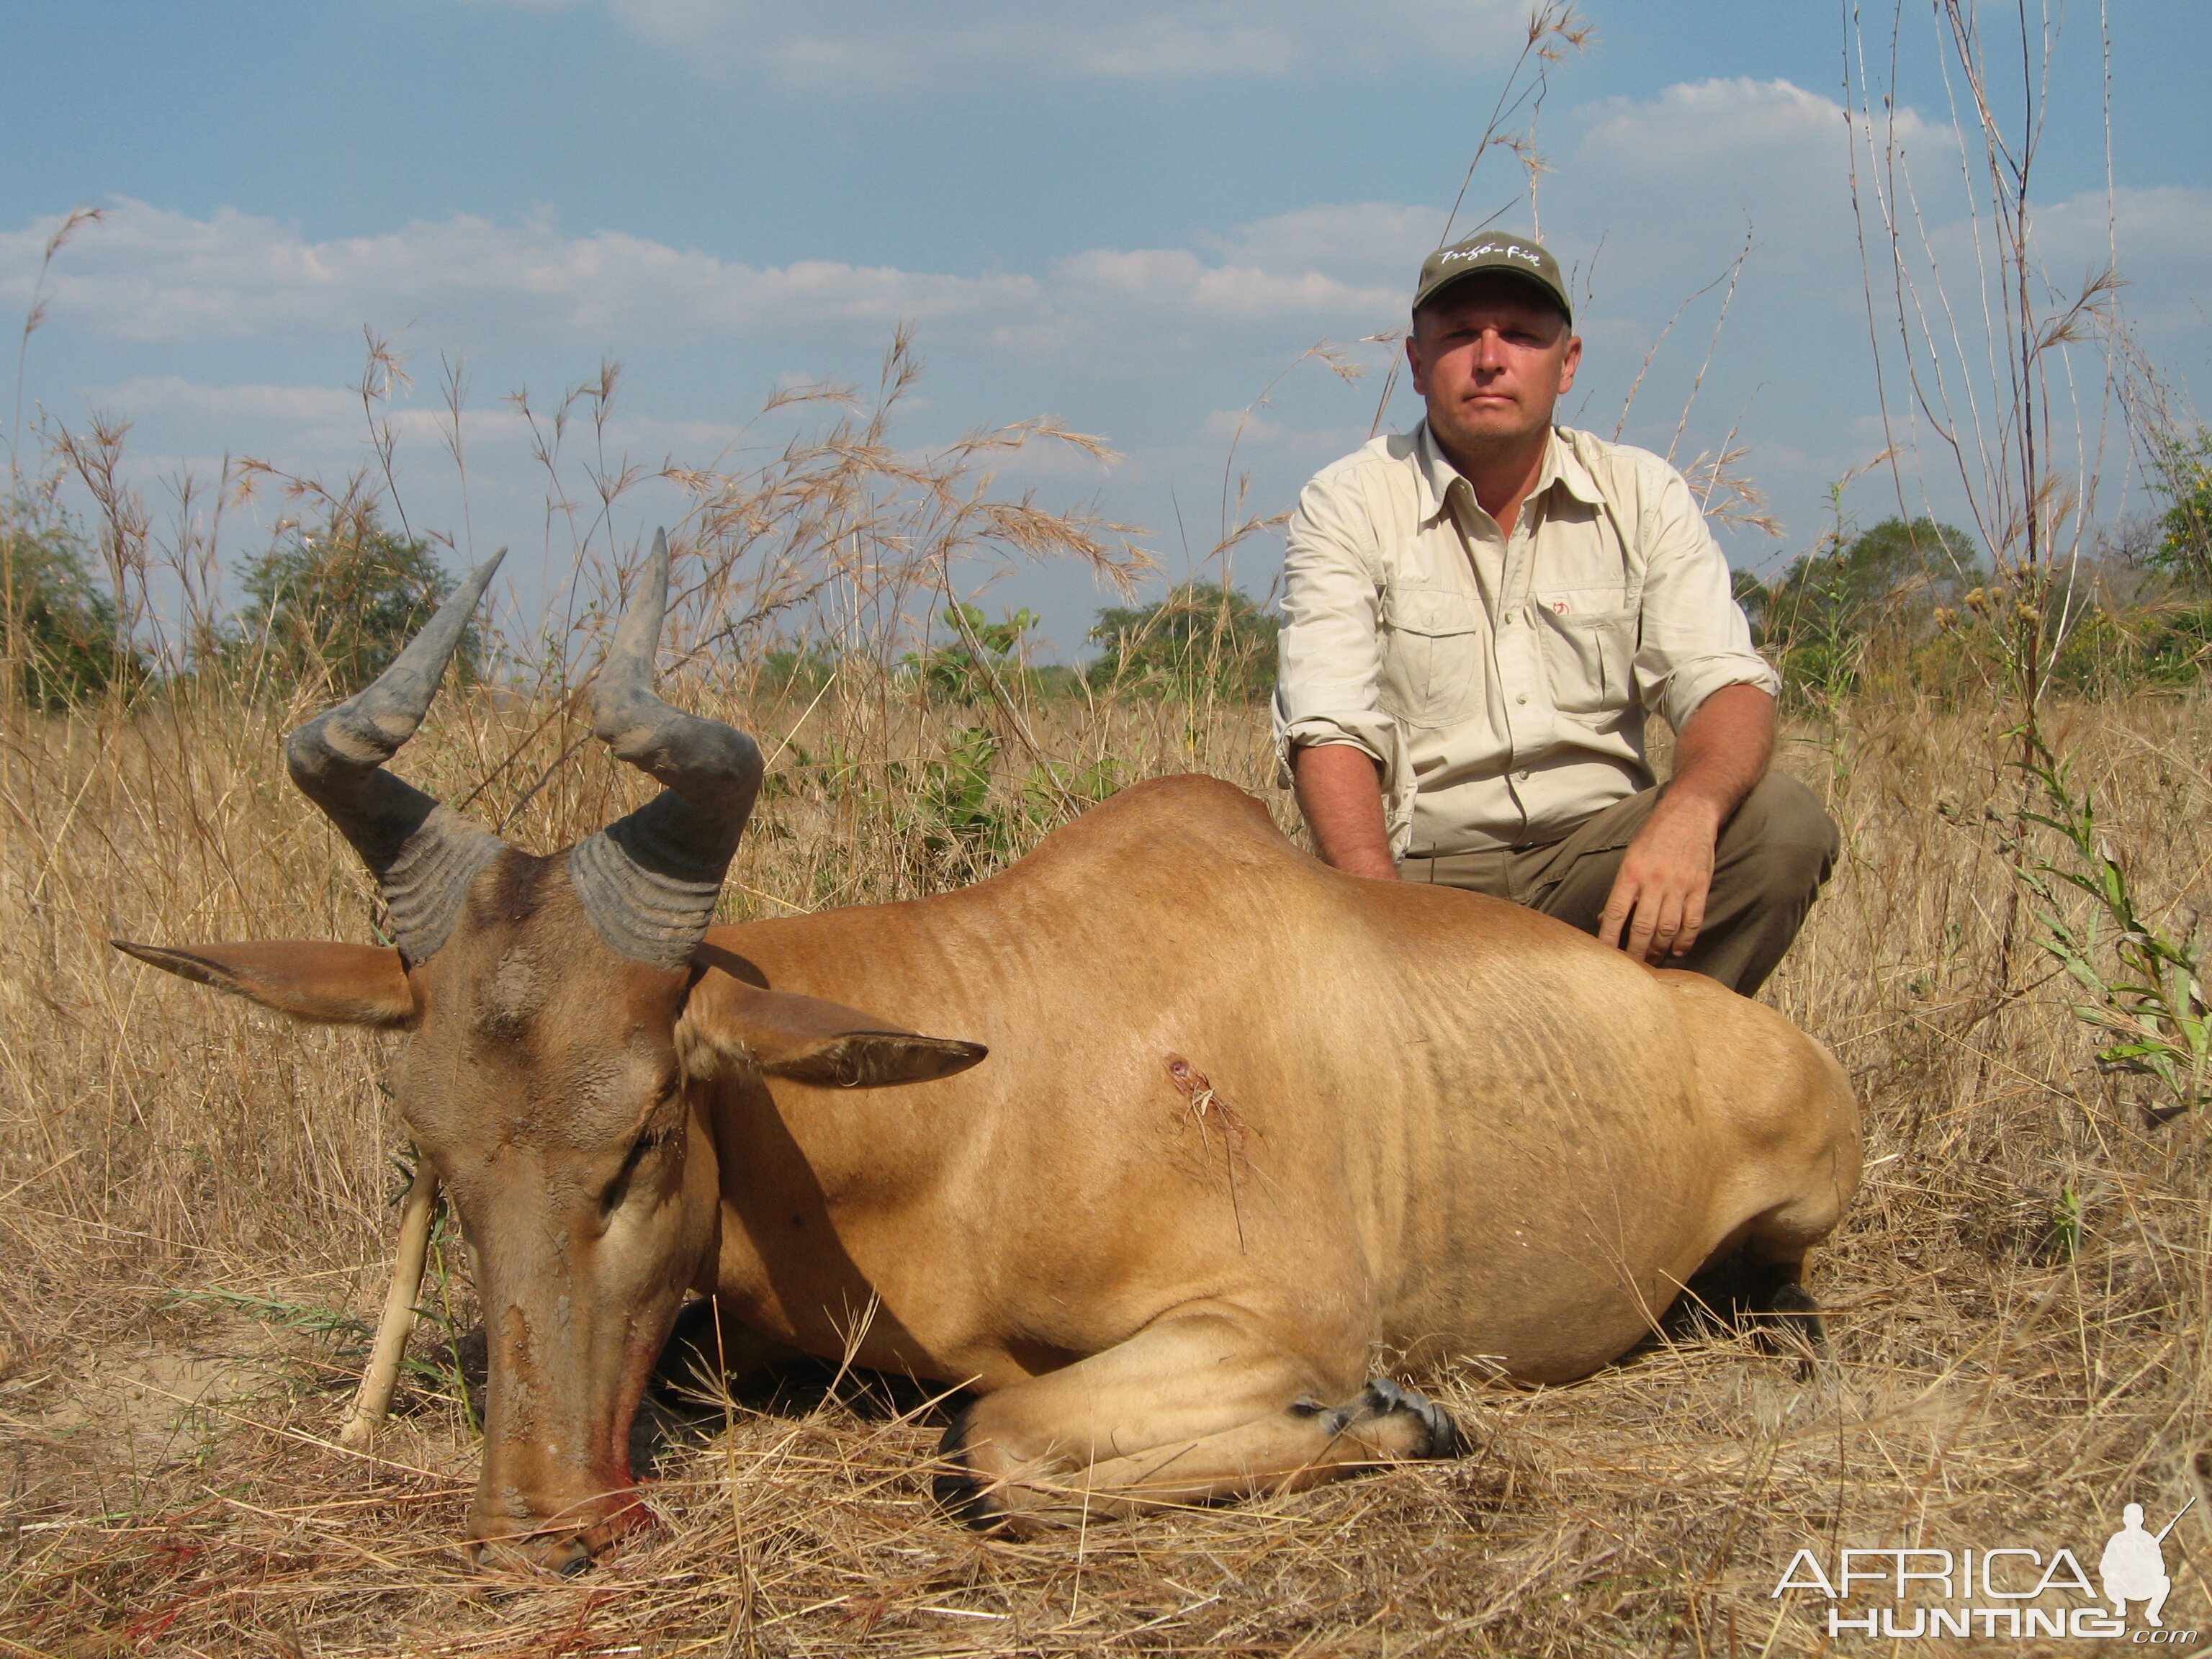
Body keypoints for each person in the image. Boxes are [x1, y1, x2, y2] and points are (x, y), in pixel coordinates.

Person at [1273, 230, 1838, 995]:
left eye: (1522, 336)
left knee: (1783, 825)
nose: (1490, 358)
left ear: (1567, 363)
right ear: (1415, 363)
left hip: (1601, 865)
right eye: (1462, 335)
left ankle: (1646, 1068)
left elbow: (1724, 685)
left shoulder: (1643, 493)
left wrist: (1691, 809)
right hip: (1430, 875)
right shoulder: (1349, 501)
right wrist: (1385, 919)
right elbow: (1329, 725)